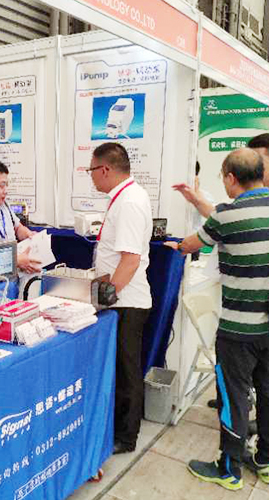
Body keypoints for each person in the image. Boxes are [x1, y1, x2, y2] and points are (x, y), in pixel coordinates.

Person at [166, 148, 269, 491]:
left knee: (233, 397)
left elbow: (193, 242)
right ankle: (265, 461)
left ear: (230, 178)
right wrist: (196, 199)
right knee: (267, 393)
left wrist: (177, 246)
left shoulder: (228, 216)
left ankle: (229, 469)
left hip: (238, 330)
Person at [89, 142, 152, 454]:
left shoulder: (129, 201)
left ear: (105, 169)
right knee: (122, 368)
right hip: (123, 299)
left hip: (127, 302)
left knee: (127, 372)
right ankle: (120, 429)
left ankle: (126, 438)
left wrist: (106, 297)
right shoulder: (125, 197)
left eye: (91, 170)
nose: (90, 176)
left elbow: (130, 260)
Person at [173, 133, 269, 217]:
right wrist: (196, 200)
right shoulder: (247, 198)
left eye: (258, 160)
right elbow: (226, 218)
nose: (252, 164)